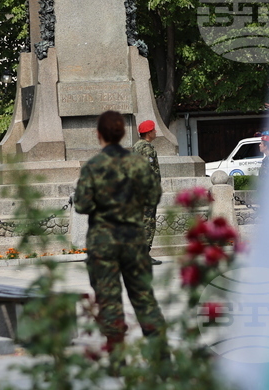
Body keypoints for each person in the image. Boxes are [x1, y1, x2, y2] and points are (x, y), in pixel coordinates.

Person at [74, 110, 165, 354]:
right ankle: (160, 355)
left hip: (103, 244)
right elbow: (153, 195)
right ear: (123, 133)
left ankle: (117, 358)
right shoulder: (136, 162)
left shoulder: (93, 166)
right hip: (133, 241)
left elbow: (81, 205)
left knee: (109, 302)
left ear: (99, 135)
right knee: (144, 300)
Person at [131, 119, 162, 266]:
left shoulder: (136, 146)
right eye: (154, 130)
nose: (156, 132)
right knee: (148, 223)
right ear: (149, 133)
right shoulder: (146, 148)